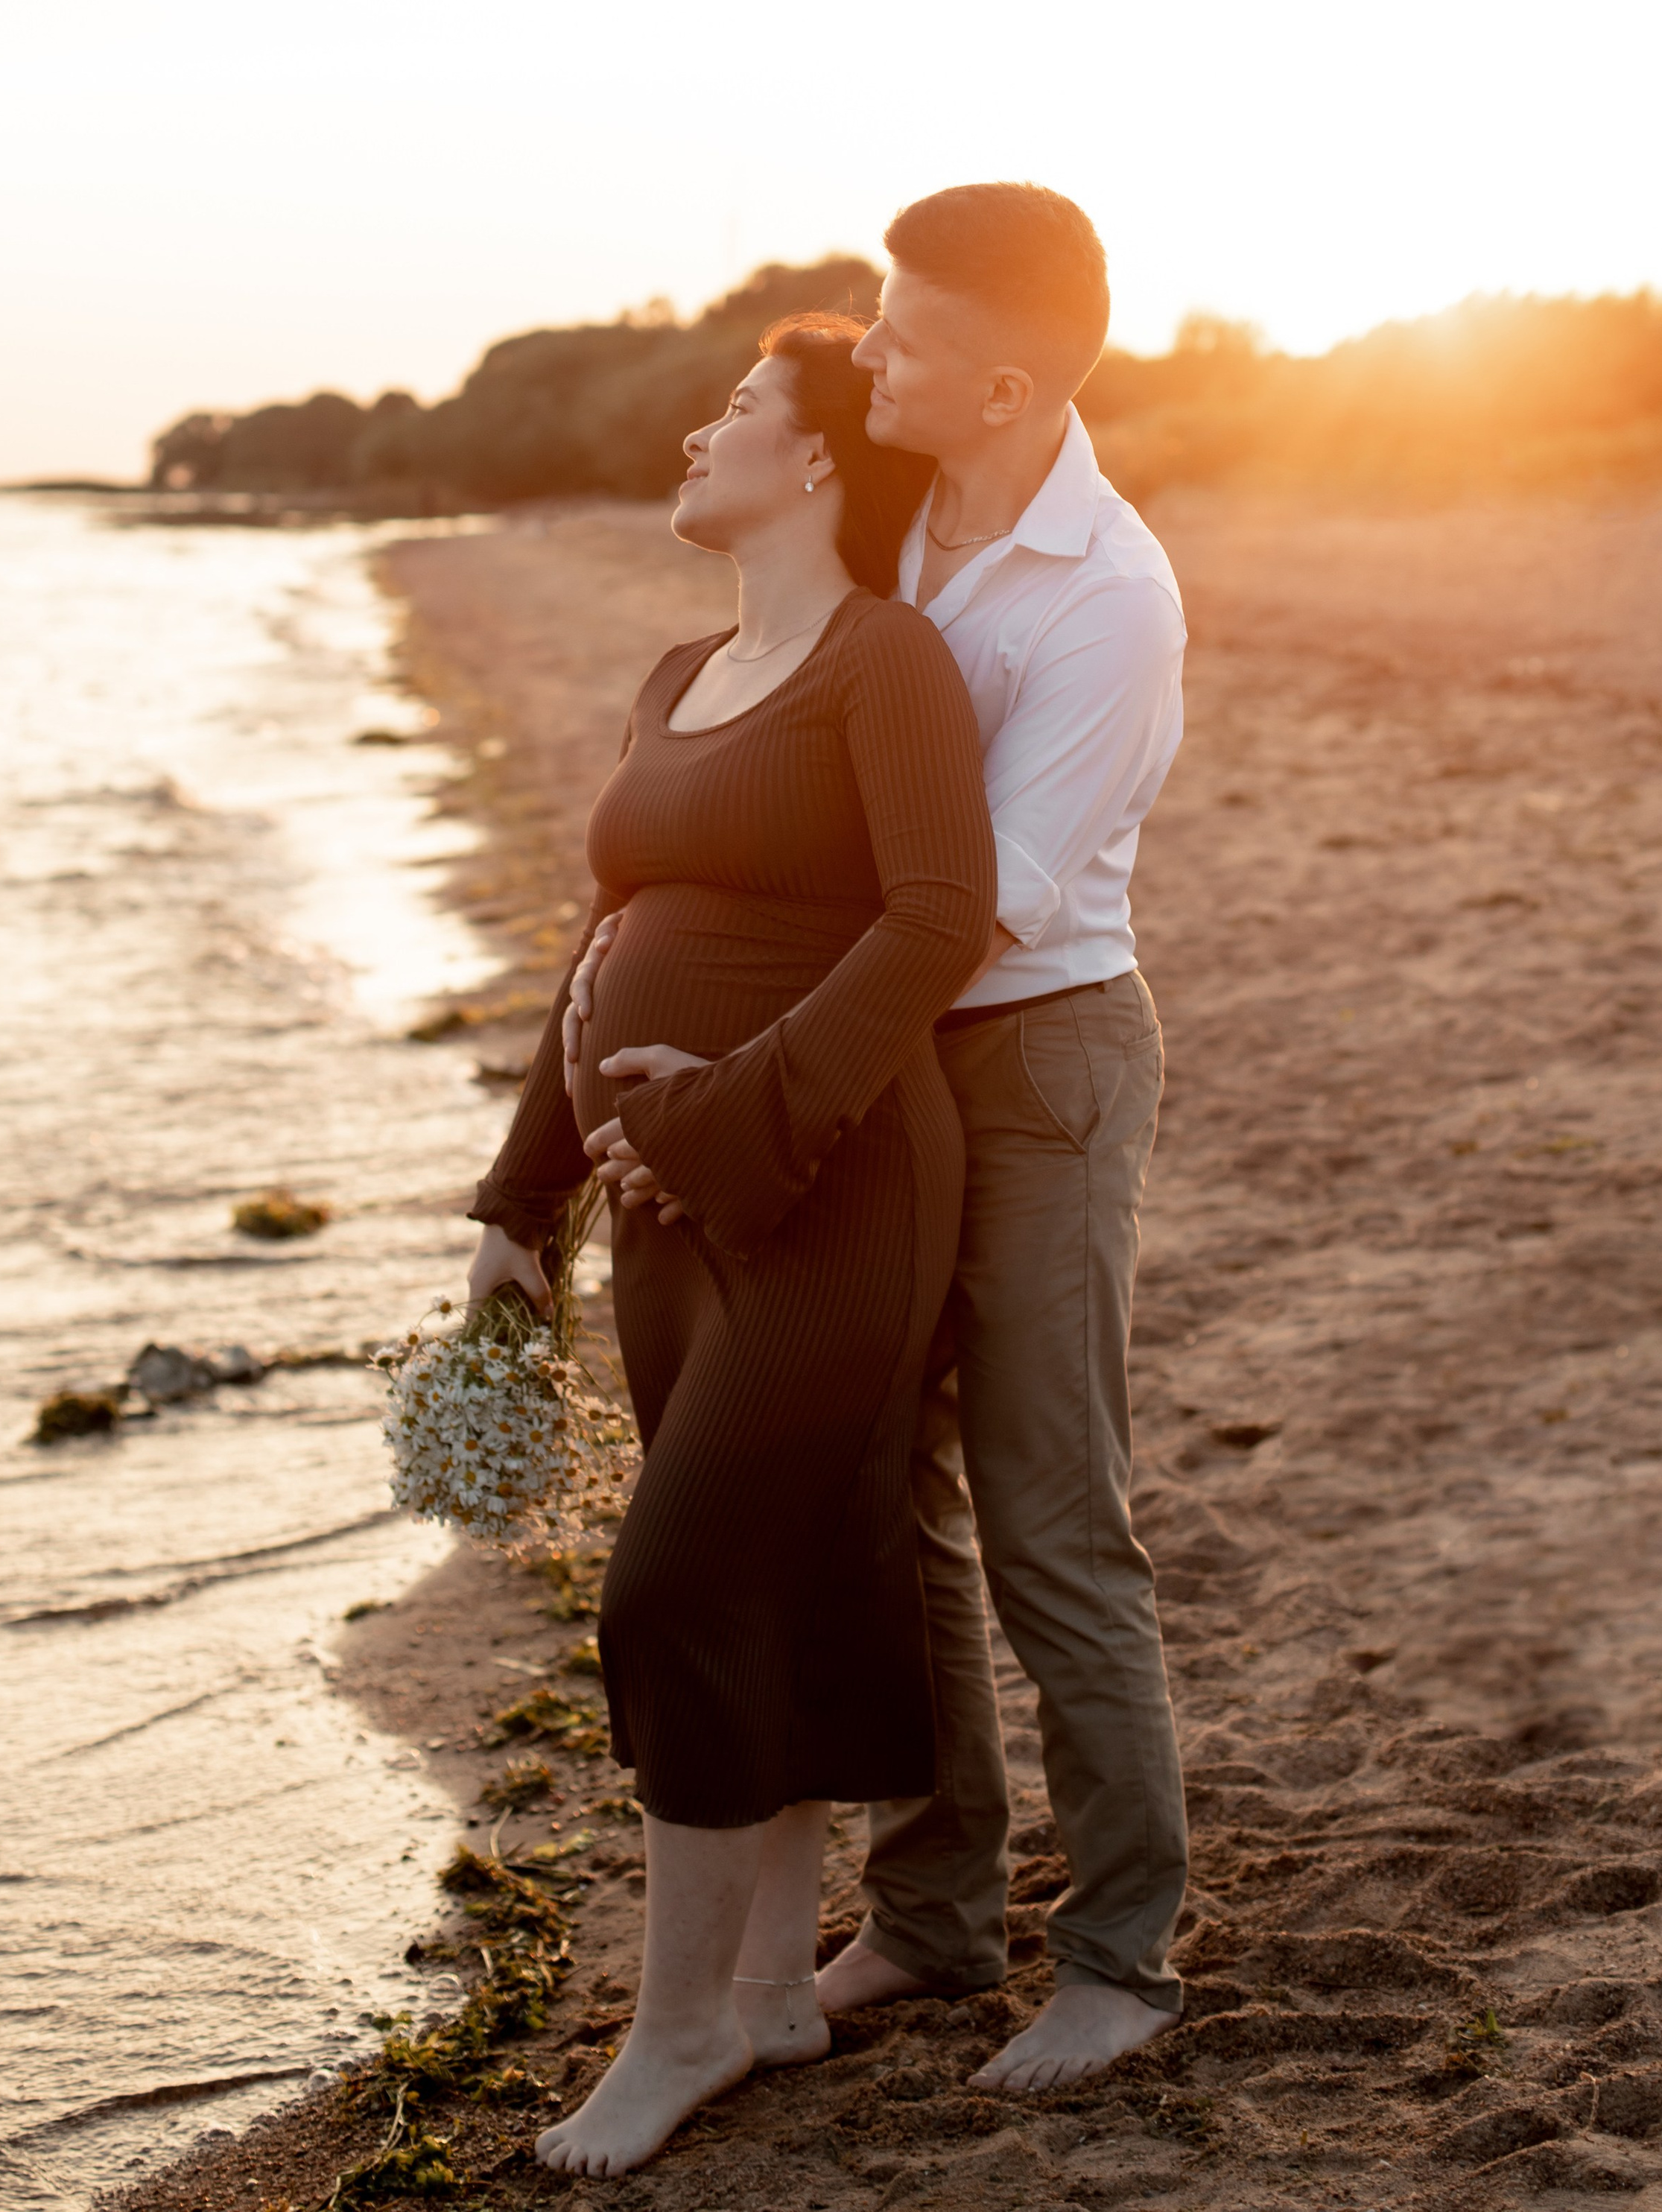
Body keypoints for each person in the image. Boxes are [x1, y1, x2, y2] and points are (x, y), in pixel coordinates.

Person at [568, 183, 1190, 2095]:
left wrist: (752, 1102)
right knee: (874, 1490)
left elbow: (967, 905)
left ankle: (1117, 1958)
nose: (869, 349)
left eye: (902, 334)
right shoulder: (899, 512)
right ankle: (930, 1915)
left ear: (1002, 382)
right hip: (879, 1060)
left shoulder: (1107, 597)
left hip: (1031, 1056)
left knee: (1044, 1500)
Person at [466, 311, 997, 2178]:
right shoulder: (680, 666)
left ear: (825, 460)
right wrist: (522, 1199)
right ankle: (771, 1988)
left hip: (831, 1188)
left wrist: (736, 1110)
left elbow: (941, 917)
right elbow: (598, 951)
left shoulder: (888, 661)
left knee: (671, 1586)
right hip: (658, 1217)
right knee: (766, 1574)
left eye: (740, 410)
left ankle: (676, 2028)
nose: (702, 432)